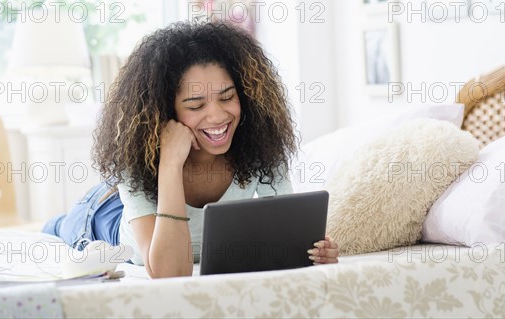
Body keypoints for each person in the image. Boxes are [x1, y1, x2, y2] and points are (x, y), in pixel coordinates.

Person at [42, 21, 339, 278]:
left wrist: (315, 251)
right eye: (196, 105)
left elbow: (287, 240)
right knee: (59, 227)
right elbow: (169, 274)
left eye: (227, 97)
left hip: (134, 205)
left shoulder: (260, 146)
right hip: (102, 216)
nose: (217, 116)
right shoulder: (137, 160)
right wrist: (170, 163)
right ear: (164, 111)